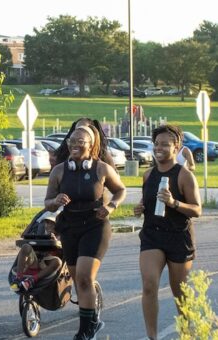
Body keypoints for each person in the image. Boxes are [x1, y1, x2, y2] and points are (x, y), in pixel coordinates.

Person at [44, 124, 126, 340]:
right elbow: (48, 203)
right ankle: (93, 321)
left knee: (83, 277)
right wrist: (55, 200)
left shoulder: (101, 169)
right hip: (69, 227)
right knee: (77, 279)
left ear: (91, 146)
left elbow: (121, 190)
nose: (75, 145)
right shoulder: (59, 171)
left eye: (81, 142)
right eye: (72, 140)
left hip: (95, 226)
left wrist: (110, 206)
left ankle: (85, 330)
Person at [133, 124, 201, 340]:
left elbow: (197, 209)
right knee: (149, 285)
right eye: (156, 144)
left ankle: (186, 333)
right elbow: (147, 200)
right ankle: (152, 337)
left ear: (176, 147)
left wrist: (174, 203)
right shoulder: (148, 174)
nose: (159, 148)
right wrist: (140, 207)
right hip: (152, 235)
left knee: (179, 292)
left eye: (164, 144)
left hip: (178, 237)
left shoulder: (184, 176)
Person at [10, 211, 61, 292]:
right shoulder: (40, 232)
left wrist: (55, 242)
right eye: (47, 222)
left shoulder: (60, 236)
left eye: (52, 223)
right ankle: (18, 279)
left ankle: (32, 280)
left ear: (56, 225)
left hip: (47, 263)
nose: (48, 225)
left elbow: (63, 253)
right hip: (35, 261)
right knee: (25, 246)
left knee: (58, 261)